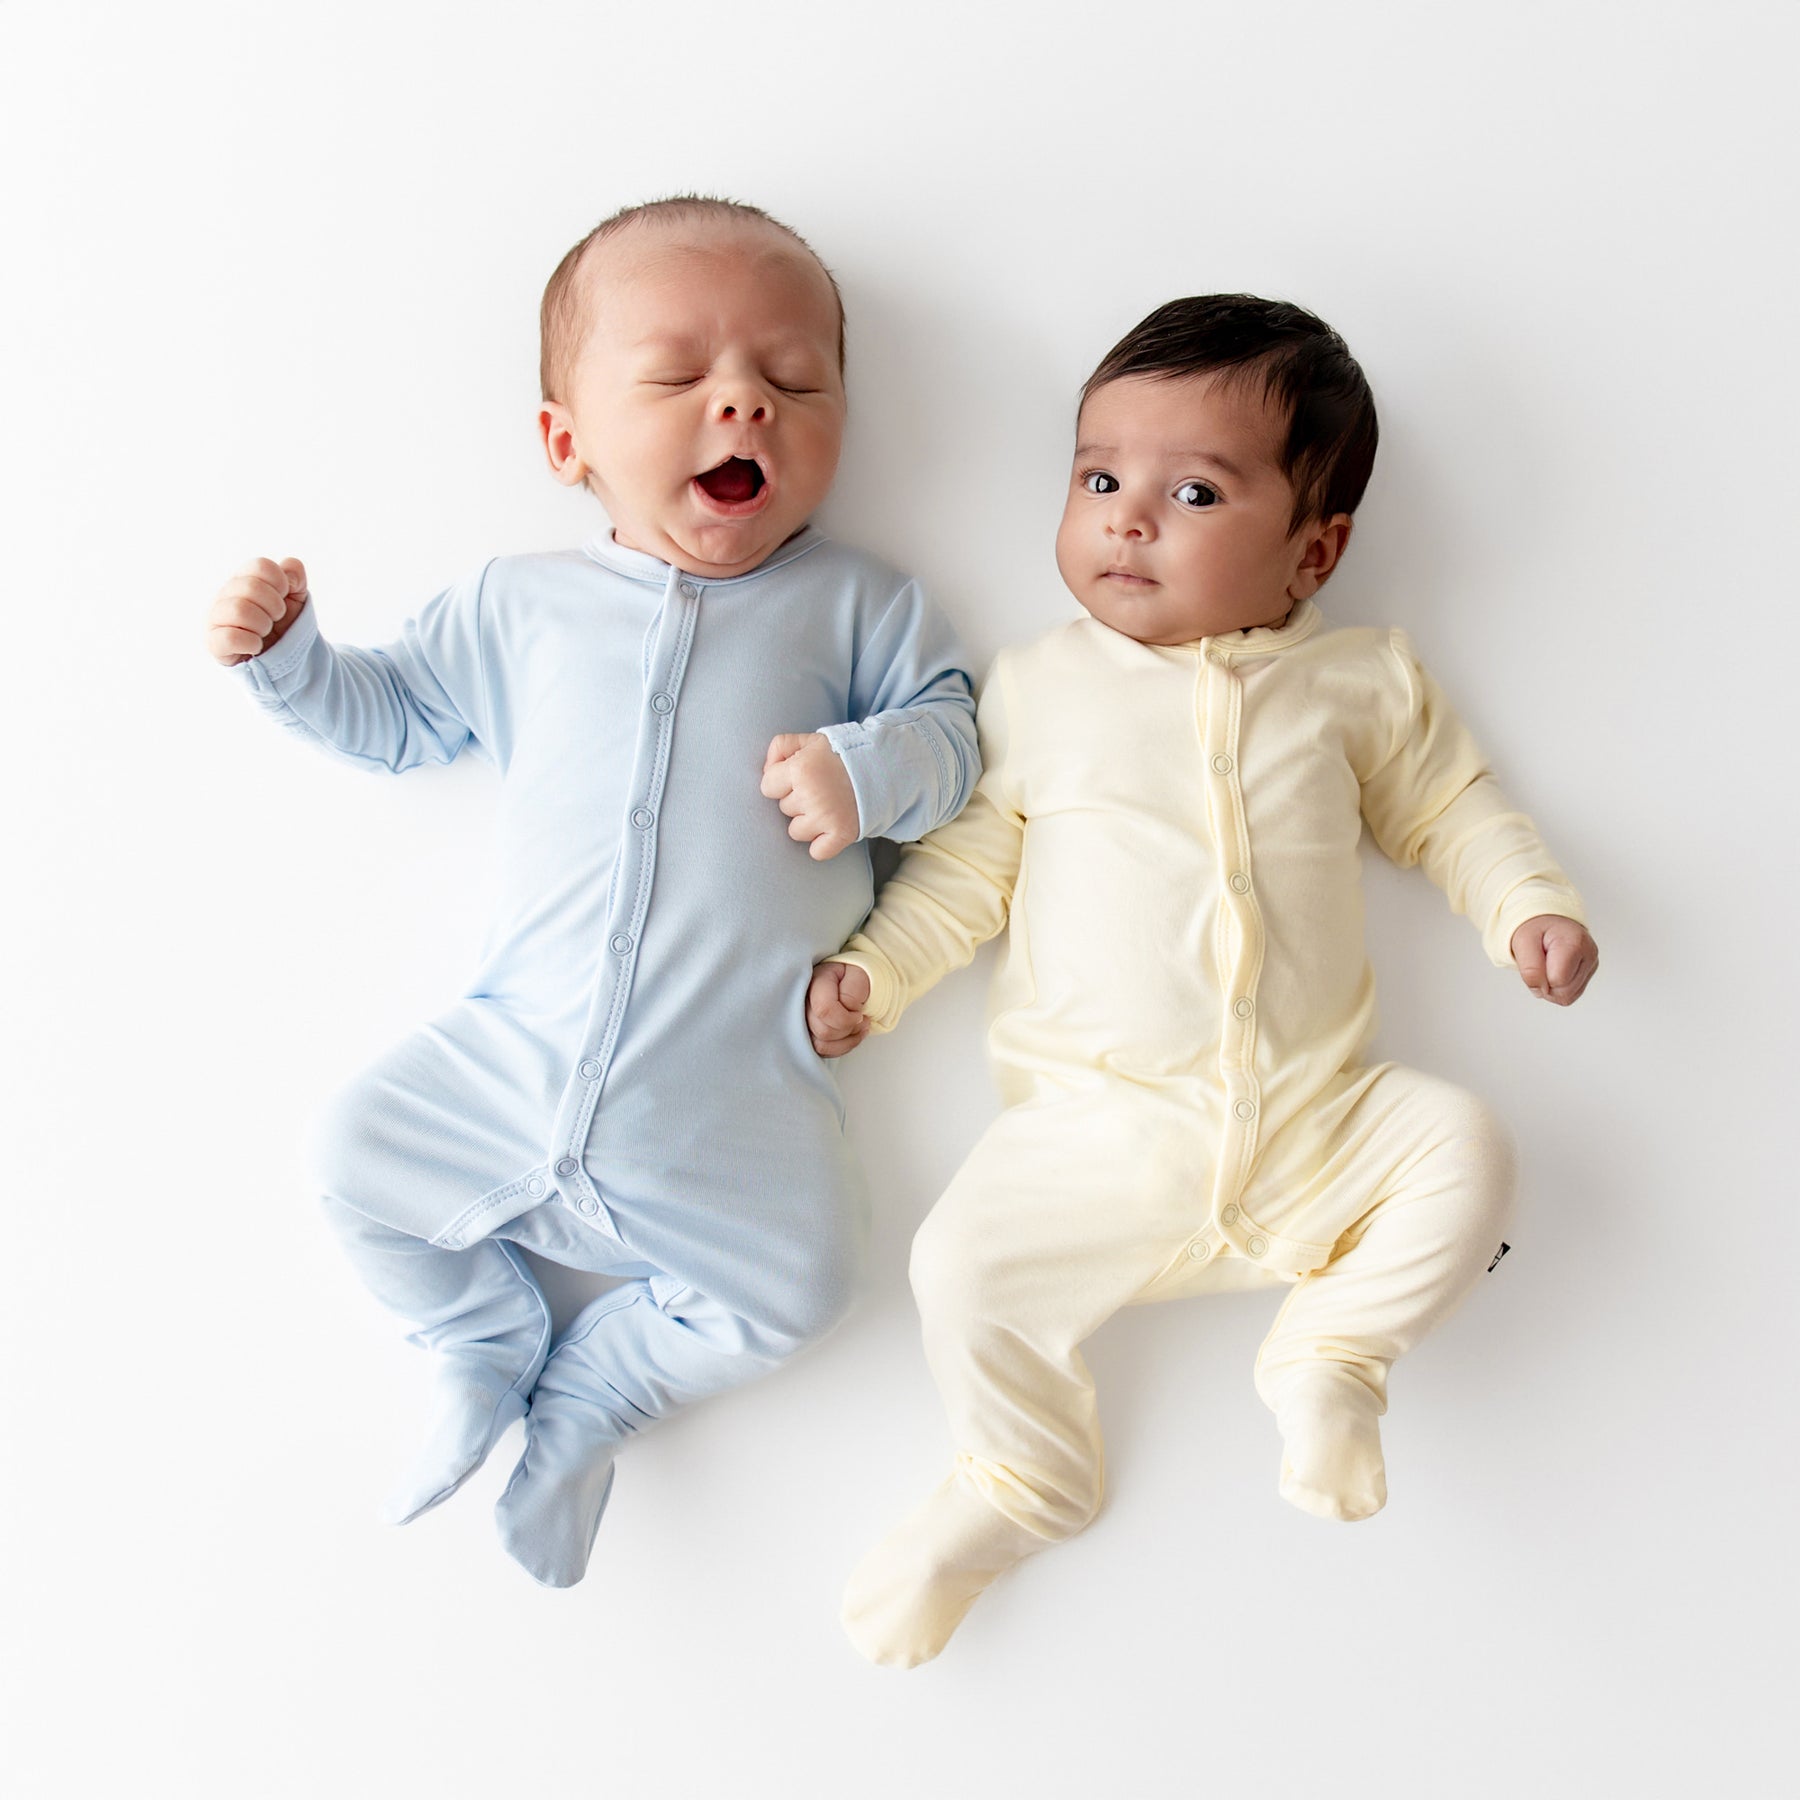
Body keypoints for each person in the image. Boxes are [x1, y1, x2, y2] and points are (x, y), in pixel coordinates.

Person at [806, 294, 1598, 1667]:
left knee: (1467, 1148)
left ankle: (1333, 1351)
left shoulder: (1360, 681)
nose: (1127, 521)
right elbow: (968, 872)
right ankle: (1025, 1478)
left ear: (1314, 549)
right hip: (1096, 1133)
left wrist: (1526, 905)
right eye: (1098, 479)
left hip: (1312, 1121)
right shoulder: (1038, 689)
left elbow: (1449, 808)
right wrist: (876, 977)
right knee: (959, 1268)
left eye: (1193, 494)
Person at [205, 196, 979, 1588]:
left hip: (729, 1090)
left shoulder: (862, 604)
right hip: (514, 1049)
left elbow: (956, 744)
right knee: (350, 1157)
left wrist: (871, 773)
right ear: (567, 443)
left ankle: (597, 1394)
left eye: (794, 381)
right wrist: (291, 662)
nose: (744, 401)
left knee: (803, 1285)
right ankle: (476, 1336)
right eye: (679, 377)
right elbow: (397, 720)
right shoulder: (518, 605)